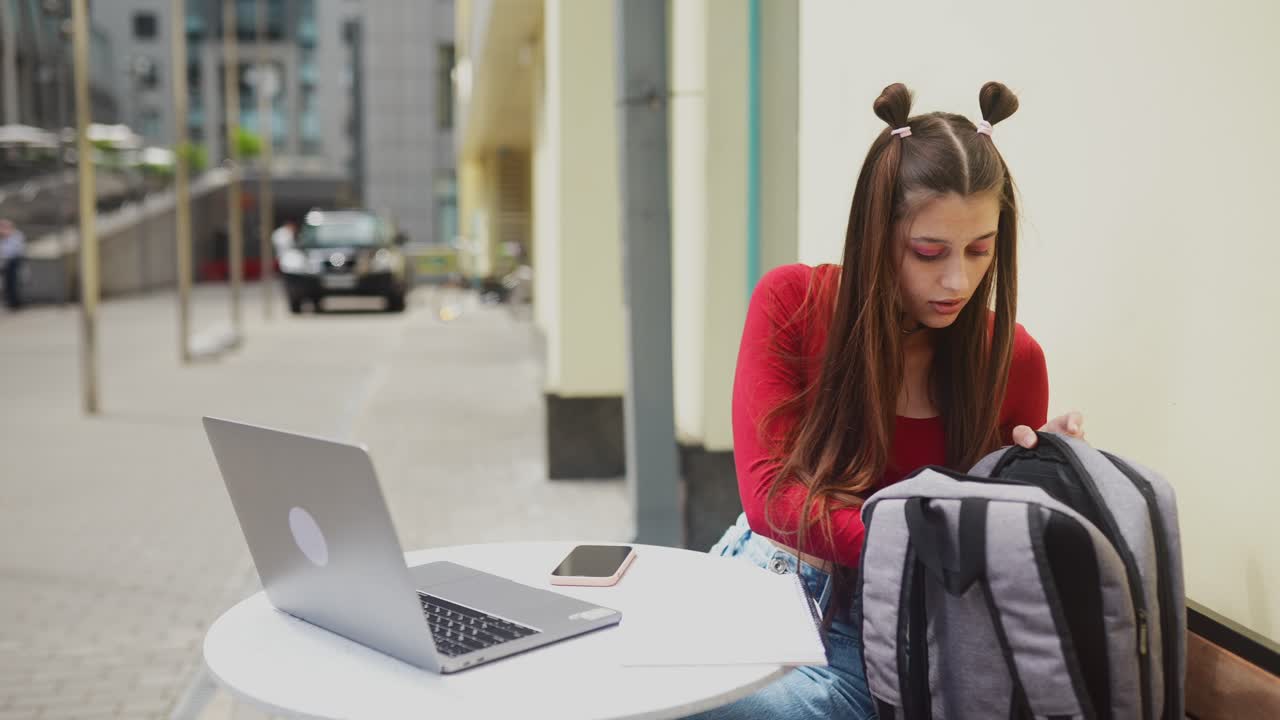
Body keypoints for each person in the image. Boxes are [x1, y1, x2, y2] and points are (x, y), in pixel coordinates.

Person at [690, 82, 1086, 719]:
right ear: (878, 235)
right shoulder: (792, 303)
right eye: (929, 253)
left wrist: (1050, 473)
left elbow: (990, 542)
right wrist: (932, 538)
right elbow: (770, 499)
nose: (957, 279)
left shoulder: (1012, 360)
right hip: (761, 581)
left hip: (885, 633)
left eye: (980, 250)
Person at [1, 219, 27, 310]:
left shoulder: (17, 235)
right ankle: (10, 302)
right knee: (7, 283)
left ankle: (15, 303)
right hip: (6, 262)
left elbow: (15, 250)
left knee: (13, 283)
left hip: (14, 261)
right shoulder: (4, 237)